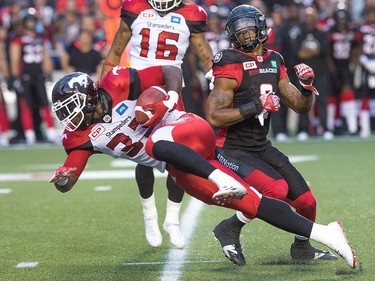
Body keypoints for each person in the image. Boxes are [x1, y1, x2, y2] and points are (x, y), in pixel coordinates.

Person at [49, 66, 356, 270]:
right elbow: (70, 176)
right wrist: (63, 180)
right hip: (180, 164)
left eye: (70, 106)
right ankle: (326, 234)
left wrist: (170, 96)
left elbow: (170, 70)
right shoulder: (77, 137)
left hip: (186, 128)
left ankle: (223, 179)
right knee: (252, 202)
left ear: (89, 97)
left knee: (156, 143)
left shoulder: (116, 82)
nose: (67, 115)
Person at [205, 5, 338, 266]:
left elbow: (299, 107)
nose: (245, 36)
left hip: (260, 145)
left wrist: (308, 88)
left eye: (249, 30)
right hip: (232, 147)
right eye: (239, 32)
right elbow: (213, 116)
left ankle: (302, 248)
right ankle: (229, 227)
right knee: (276, 189)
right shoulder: (228, 61)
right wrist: (256, 106)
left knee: (307, 201)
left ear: (262, 28)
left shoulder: (274, 59)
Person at [100, 0, 213, 249]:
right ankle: (149, 215)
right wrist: (104, 93)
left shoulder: (191, 14)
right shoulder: (135, 8)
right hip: (136, 89)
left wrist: (215, 79)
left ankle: (172, 220)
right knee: (143, 153)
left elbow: (206, 55)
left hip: (171, 90)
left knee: (179, 156)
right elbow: (115, 51)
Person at [8, 8, 57, 145]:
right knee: (26, 105)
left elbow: (45, 56)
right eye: (28, 21)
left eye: (32, 21)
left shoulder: (39, 38)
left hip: (38, 74)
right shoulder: (18, 39)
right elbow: (14, 58)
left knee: (44, 104)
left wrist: (48, 70)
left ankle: (51, 133)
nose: (31, 23)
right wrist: (15, 77)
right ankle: (30, 135)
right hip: (26, 75)